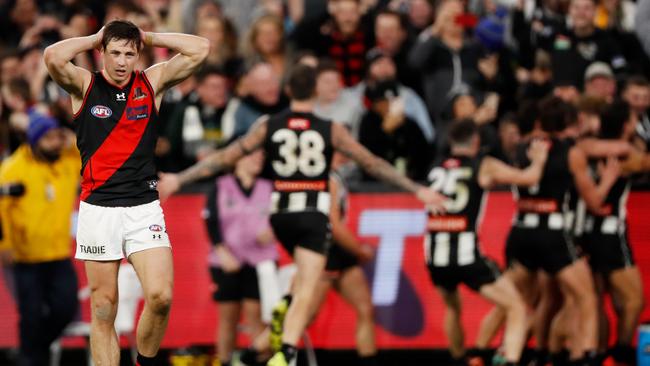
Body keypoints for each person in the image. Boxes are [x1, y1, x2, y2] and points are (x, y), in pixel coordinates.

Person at [157, 64, 445, 366]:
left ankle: (281, 312)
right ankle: (287, 350)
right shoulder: (329, 128)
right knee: (309, 285)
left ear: (289, 91)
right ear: (316, 92)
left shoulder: (269, 125)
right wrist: (417, 190)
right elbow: (371, 163)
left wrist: (180, 179)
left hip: (281, 215)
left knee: (303, 278)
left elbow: (226, 157)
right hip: (313, 214)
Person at [43, 20, 209, 365]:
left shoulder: (151, 83)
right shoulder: (85, 85)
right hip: (98, 209)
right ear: (102, 52)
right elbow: (53, 57)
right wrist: (93, 38)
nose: (121, 61)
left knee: (161, 297)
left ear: (139, 55)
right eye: (115, 52)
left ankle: (144, 362)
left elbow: (201, 49)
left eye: (129, 53)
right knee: (104, 309)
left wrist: (149, 36)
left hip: (143, 207)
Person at [426, 119, 548, 365]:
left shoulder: (437, 166)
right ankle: (511, 361)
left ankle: (460, 359)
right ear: (477, 141)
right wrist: (539, 159)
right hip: (466, 255)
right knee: (515, 307)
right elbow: (529, 178)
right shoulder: (484, 164)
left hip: (434, 256)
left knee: (452, 309)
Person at [0, 112, 80, 366]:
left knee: (66, 309)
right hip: (26, 257)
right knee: (31, 315)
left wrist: (70, 138)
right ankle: (31, 358)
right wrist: (5, 245)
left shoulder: (66, 161)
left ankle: (32, 352)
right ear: (34, 141)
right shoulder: (13, 168)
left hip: (58, 254)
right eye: (49, 138)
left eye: (58, 137)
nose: (56, 143)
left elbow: (90, 150)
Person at [204, 149, 276, 366]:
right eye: (253, 156)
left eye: (261, 157)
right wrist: (223, 252)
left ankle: (256, 360)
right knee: (227, 319)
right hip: (226, 262)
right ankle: (225, 361)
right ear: (238, 159)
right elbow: (211, 221)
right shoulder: (221, 186)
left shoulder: (268, 187)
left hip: (260, 261)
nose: (258, 161)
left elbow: (281, 217)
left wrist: (273, 229)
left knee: (257, 317)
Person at [307, 151, 378, 365]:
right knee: (305, 315)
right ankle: (255, 353)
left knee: (365, 308)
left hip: (337, 252)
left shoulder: (332, 176)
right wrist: (359, 250)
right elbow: (334, 225)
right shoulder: (327, 179)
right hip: (326, 250)